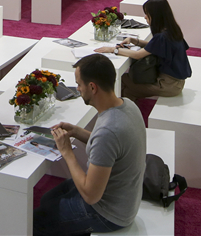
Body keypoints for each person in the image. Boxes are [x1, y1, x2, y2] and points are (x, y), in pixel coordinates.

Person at [33, 54, 146, 236]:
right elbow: (111, 147)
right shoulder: (127, 105)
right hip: (123, 198)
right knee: (47, 198)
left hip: (108, 214)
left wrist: (67, 151)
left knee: (35, 221)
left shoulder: (108, 130)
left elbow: (90, 195)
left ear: (92, 87)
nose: (78, 89)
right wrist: (77, 131)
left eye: (79, 84)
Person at [95, 0, 192, 100]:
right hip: (176, 83)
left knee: (122, 80)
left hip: (166, 85)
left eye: (147, 14)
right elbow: (154, 46)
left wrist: (114, 50)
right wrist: (134, 40)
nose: (145, 17)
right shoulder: (172, 30)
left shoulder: (162, 37)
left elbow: (138, 55)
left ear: (156, 15)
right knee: (127, 88)